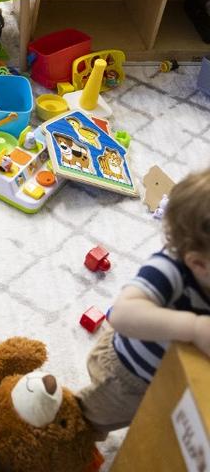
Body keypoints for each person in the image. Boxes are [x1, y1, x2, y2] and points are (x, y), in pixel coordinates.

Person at [77, 168, 210, 438]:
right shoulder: (169, 268)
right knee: (83, 424)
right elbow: (123, 314)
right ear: (198, 263)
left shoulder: (204, 267)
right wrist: (194, 327)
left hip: (169, 378)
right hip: (125, 377)